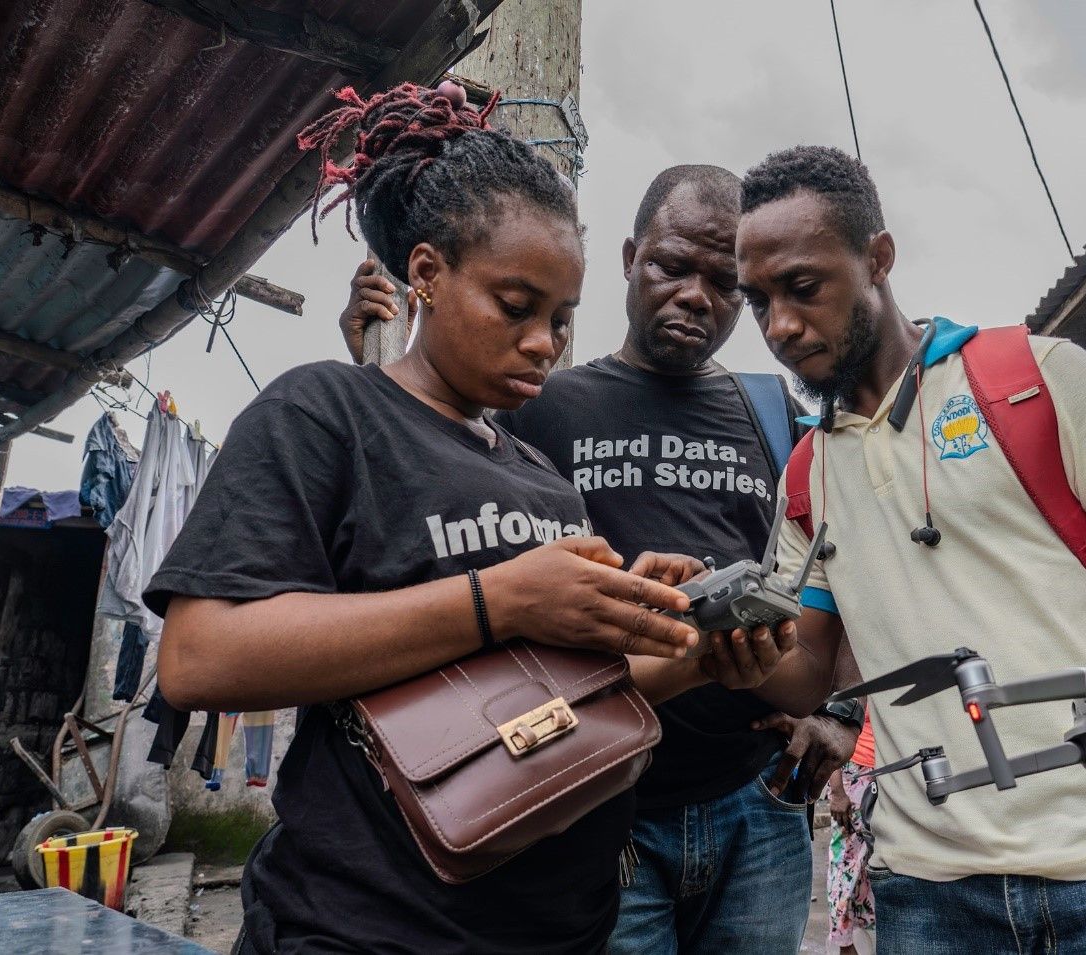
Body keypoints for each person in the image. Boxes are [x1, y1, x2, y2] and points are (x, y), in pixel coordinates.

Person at [146, 84, 792, 955]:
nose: (544, 343)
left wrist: (689, 648)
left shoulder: (543, 482)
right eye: (515, 306)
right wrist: (502, 599)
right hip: (370, 928)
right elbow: (198, 657)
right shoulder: (328, 414)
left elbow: (552, 709)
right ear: (426, 275)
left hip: (557, 929)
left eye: (561, 320)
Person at [342, 163, 862, 954]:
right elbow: (426, 477)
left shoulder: (774, 415)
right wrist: (377, 359)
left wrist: (838, 712)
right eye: (671, 266)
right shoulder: (539, 403)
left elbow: (839, 563)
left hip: (755, 799)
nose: (696, 295)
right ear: (628, 258)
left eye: (725, 282)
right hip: (593, 796)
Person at [737, 145, 1086, 953]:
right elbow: (805, 669)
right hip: (930, 893)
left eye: (802, 288)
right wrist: (711, 637)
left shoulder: (1037, 377)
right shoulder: (809, 473)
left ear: (878, 258)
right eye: (757, 301)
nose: (781, 327)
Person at [827, 712, 877, 955]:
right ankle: (844, 944)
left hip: (887, 771)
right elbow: (831, 730)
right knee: (846, 862)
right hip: (854, 772)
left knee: (875, 862)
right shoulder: (851, 675)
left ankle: (866, 937)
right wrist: (836, 791)